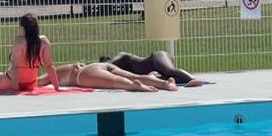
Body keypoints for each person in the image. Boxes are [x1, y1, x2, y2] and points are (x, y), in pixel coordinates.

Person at [0, 13, 60, 92]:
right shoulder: (44, 42)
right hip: (31, 83)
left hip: (10, 81)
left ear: (22, 28)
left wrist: (14, 89)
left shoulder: (20, 42)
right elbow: (49, 66)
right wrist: (56, 87)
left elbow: (15, 67)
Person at [38, 62, 177, 92]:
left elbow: (38, 82)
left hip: (84, 75)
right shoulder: (60, 68)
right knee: (134, 75)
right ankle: (166, 83)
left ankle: (134, 86)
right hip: (98, 65)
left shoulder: (54, 72)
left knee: (116, 82)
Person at [106, 51, 203, 87]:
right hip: (154, 70)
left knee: (169, 70)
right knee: (161, 77)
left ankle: (193, 79)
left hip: (155, 59)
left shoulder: (122, 56)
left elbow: (108, 65)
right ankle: (187, 80)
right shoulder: (119, 73)